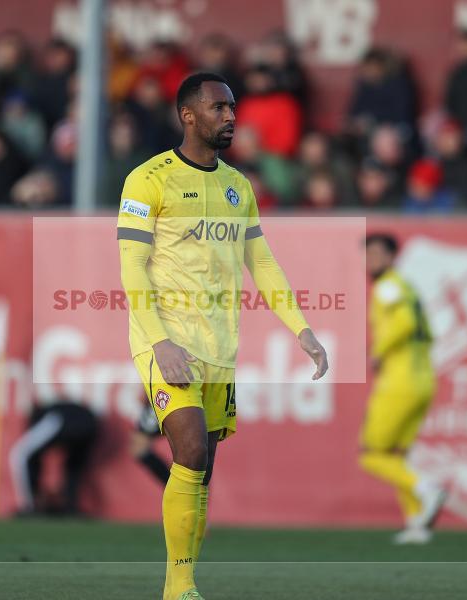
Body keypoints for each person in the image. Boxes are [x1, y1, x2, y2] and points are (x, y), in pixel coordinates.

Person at [117, 72, 328, 600]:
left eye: (233, 107)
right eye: (219, 107)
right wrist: (159, 341)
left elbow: (262, 262)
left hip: (218, 347)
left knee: (201, 469)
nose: (231, 116)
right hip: (165, 340)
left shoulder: (238, 186)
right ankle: (178, 588)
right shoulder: (148, 180)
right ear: (188, 115)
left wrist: (302, 329)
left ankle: (184, 582)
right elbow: (132, 266)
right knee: (189, 451)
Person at [361, 233, 445, 545]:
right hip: (424, 379)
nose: (370, 260)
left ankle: (427, 489)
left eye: (377, 254)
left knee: (371, 455)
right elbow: (429, 332)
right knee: (397, 456)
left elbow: (405, 322)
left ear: (392, 257)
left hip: (400, 380)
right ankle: (416, 523)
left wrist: (378, 351)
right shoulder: (407, 287)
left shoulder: (387, 286)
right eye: (367, 254)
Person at [8, 399, 98, 516]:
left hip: (67, 420)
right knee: (73, 466)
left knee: (19, 454)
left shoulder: (48, 416)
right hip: (91, 424)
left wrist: (29, 501)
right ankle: (71, 507)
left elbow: (20, 454)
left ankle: (29, 506)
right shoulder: (66, 409)